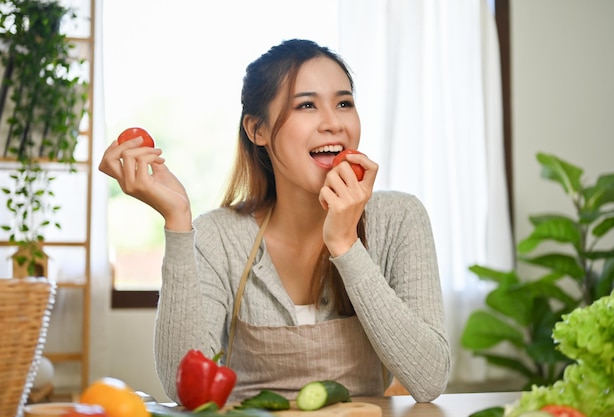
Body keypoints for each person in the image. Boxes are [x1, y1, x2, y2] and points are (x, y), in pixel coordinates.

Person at [99, 39, 450, 404]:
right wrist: (178, 220)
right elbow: (181, 389)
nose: (333, 123)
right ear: (257, 130)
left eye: (344, 103)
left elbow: (428, 380)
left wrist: (346, 245)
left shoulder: (399, 220)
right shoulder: (218, 236)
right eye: (307, 105)